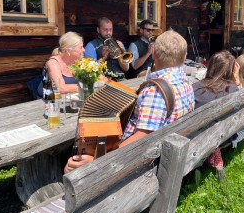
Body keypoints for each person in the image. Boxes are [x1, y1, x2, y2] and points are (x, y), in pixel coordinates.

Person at [64, 29, 195, 173]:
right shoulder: (186, 82)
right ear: (184, 57)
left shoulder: (155, 92)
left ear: (153, 54)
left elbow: (142, 140)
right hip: (167, 154)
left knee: (70, 165)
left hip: (136, 165)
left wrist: (97, 160)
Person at [192, 50, 240, 181]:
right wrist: (237, 79)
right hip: (225, 135)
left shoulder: (195, 88)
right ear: (231, 70)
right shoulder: (233, 89)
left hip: (199, 135)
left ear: (210, 66)